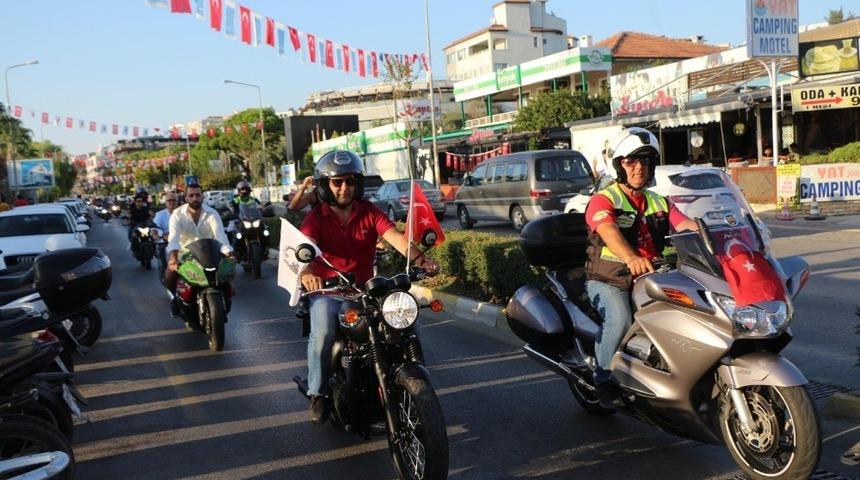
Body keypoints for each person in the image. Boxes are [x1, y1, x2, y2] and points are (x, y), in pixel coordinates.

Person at [299, 150, 439, 424]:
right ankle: (318, 393)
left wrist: (422, 260)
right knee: (324, 330)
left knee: (402, 320)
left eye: (349, 181)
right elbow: (303, 248)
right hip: (328, 291)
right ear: (325, 185)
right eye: (336, 182)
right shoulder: (316, 217)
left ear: (358, 184)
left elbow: (396, 239)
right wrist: (307, 273)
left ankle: (413, 375)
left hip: (365, 290)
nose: (343, 188)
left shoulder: (369, 212)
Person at [583, 127, 699, 408]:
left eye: (645, 162)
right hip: (609, 278)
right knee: (621, 318)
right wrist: (631, 257)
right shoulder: (604, 200)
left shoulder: (659, 202)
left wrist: (723, 238)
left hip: (651, 277)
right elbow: (608, 231)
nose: (639, 168)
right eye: (631, 162)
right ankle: (603, 375)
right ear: (619, 165)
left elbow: (688, 227)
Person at [164, 183, 234, 314]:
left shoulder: (212, 214)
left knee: (227, 274)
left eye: (197, 195)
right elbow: (173, 239)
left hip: (210, 253)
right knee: (169, 274)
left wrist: (228, 252)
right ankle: (174, 298)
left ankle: (227, 298)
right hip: (186, 255)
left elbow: (220, 237)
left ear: (202, 197)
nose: (195, 198)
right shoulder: (177, 215)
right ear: (185, 198)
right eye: (191, 195)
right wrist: (173, 257)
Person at [153, 192, 178, 281]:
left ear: (177, 201)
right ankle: (165, 278)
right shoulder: (160, 215)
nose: (171, 202)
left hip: (181, 242)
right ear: (166, 202)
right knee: (164, 262)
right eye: (169, 200)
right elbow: (154, 229)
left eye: (174, 200)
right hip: (165, 243)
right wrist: (156, 235)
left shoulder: (183, 213)